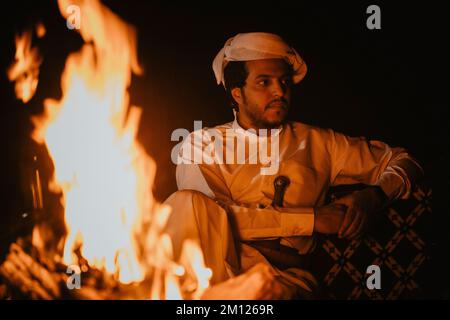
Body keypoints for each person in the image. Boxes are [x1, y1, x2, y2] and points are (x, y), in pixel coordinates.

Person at [163, 32, 423, 299]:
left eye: (284, 81)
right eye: (264, 82)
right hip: (213, 270)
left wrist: (375, 196)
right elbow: (209, 218)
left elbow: (406, 161)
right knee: (185, 202)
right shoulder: (201, 144)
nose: (279, 91)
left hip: (284, 282)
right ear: (237, 93)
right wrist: (313, 219)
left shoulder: (320, 142)